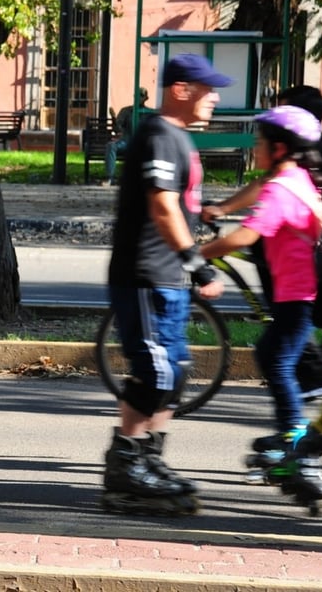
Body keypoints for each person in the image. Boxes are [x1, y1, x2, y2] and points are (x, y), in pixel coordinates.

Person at [102, 53, 228, 516]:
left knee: (174, 372)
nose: (215, 96)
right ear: (181, 89)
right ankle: (124, 466)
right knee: (155, 371)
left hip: (166, 279)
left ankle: (147, 459)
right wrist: (197, 262)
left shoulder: (178, 138)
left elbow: (181, 202)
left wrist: (209, 211)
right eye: (207, 87)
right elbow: (162, 207)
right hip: (145, 276)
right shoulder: (159, 135)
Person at [199, 105, 322, 481]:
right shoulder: (295, 177)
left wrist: (197, 253)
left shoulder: (280, 190)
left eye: (260, 142)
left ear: (281, 149)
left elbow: (245, 236)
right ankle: (291, 430)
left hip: (298, 296)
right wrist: (222, 207)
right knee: (271, 353)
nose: (255, 148)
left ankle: (296, 435)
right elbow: (258, 193)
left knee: (279, 362)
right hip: (300, 292)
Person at [201, 85, 322, 401]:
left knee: (282, 340)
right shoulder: (309, 150)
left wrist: (198, 251)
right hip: (307, 254)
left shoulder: (304, 153)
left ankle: (310, 385)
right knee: (278, 342)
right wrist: (223, 209)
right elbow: (263, 185)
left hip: (308, 260)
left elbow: (263, 199)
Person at [106, 87, 149, 185]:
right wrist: (114, 120)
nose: (139, 98)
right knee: (111, 145)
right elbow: (117, 129)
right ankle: (110, 177)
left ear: (146, 98)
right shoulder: (126, 111)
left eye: (141, 96)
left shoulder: (148, 113)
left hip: (142, 143)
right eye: (137, 95)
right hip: (126, 142)